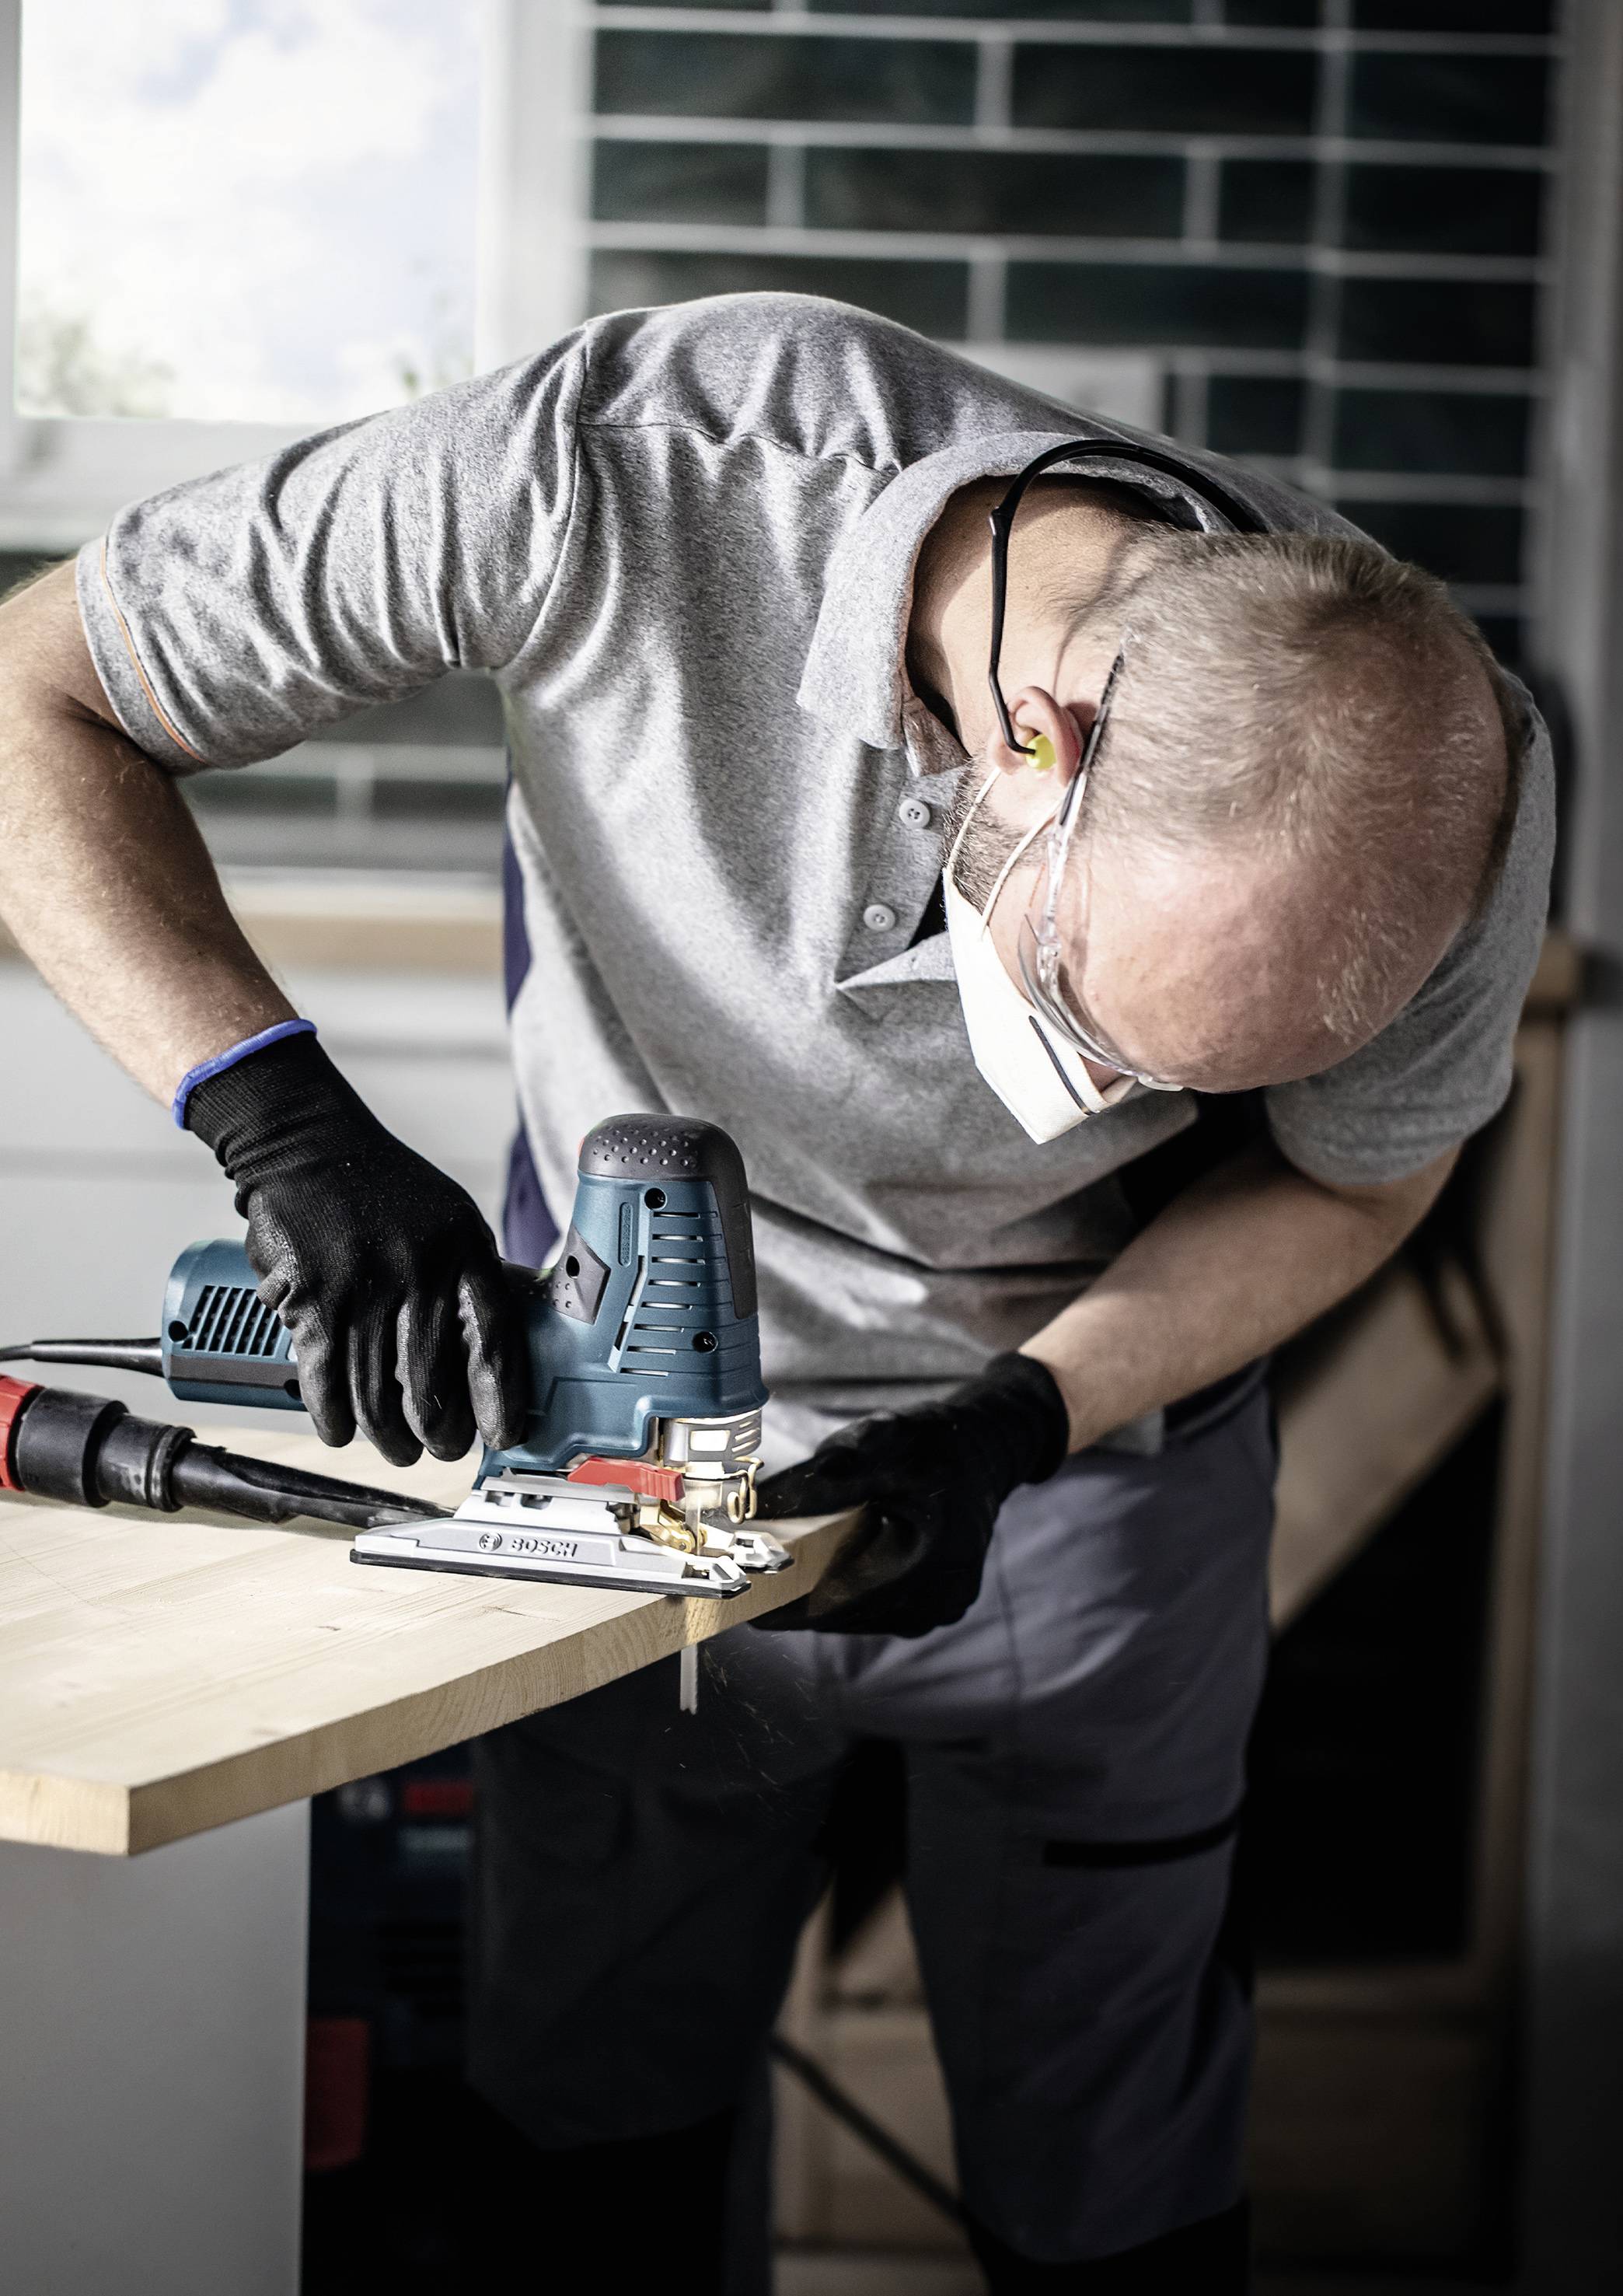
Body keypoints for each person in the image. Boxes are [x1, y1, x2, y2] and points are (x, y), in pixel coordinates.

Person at [0, 295, 1550, 2291]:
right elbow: (34, 693)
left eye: (1191, 1086)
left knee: (1122, 2186)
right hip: (629, 1466)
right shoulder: (621, 471)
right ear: (1036, 738)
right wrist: (277, 1118)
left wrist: (1028, 1413)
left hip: (1093, 1473)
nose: (1122, 1102)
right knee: (595, 2150)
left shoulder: (1443, 773)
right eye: (1101, 1013)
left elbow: (1364, 1174)